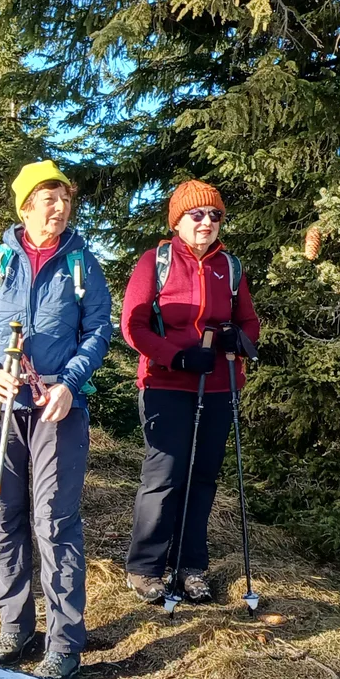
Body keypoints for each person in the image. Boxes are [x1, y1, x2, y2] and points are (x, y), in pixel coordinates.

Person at [0, 160, 113, 679]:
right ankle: (14, 626)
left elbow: (97, 332)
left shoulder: (82, 264)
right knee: (4, 514)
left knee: (55, 520)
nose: (59, 207)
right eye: (48, 199)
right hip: (0, 408)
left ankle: (65, 640)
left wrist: (70, 382)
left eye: (64, 199)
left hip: (58, 409)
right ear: (24, 206)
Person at [120, 179, 261, 607]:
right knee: (164, 476)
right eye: (197, 214)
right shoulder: (156, 261)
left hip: (218, 385)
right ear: (178, 220)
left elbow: (249, 322)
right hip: (167, 383)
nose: (207, 222)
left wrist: (240, 341)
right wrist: (176, 357)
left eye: (215, 215)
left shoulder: (229, 267)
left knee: (203, 477)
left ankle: (190, 567)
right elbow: (134, 325)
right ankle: (145, 568)